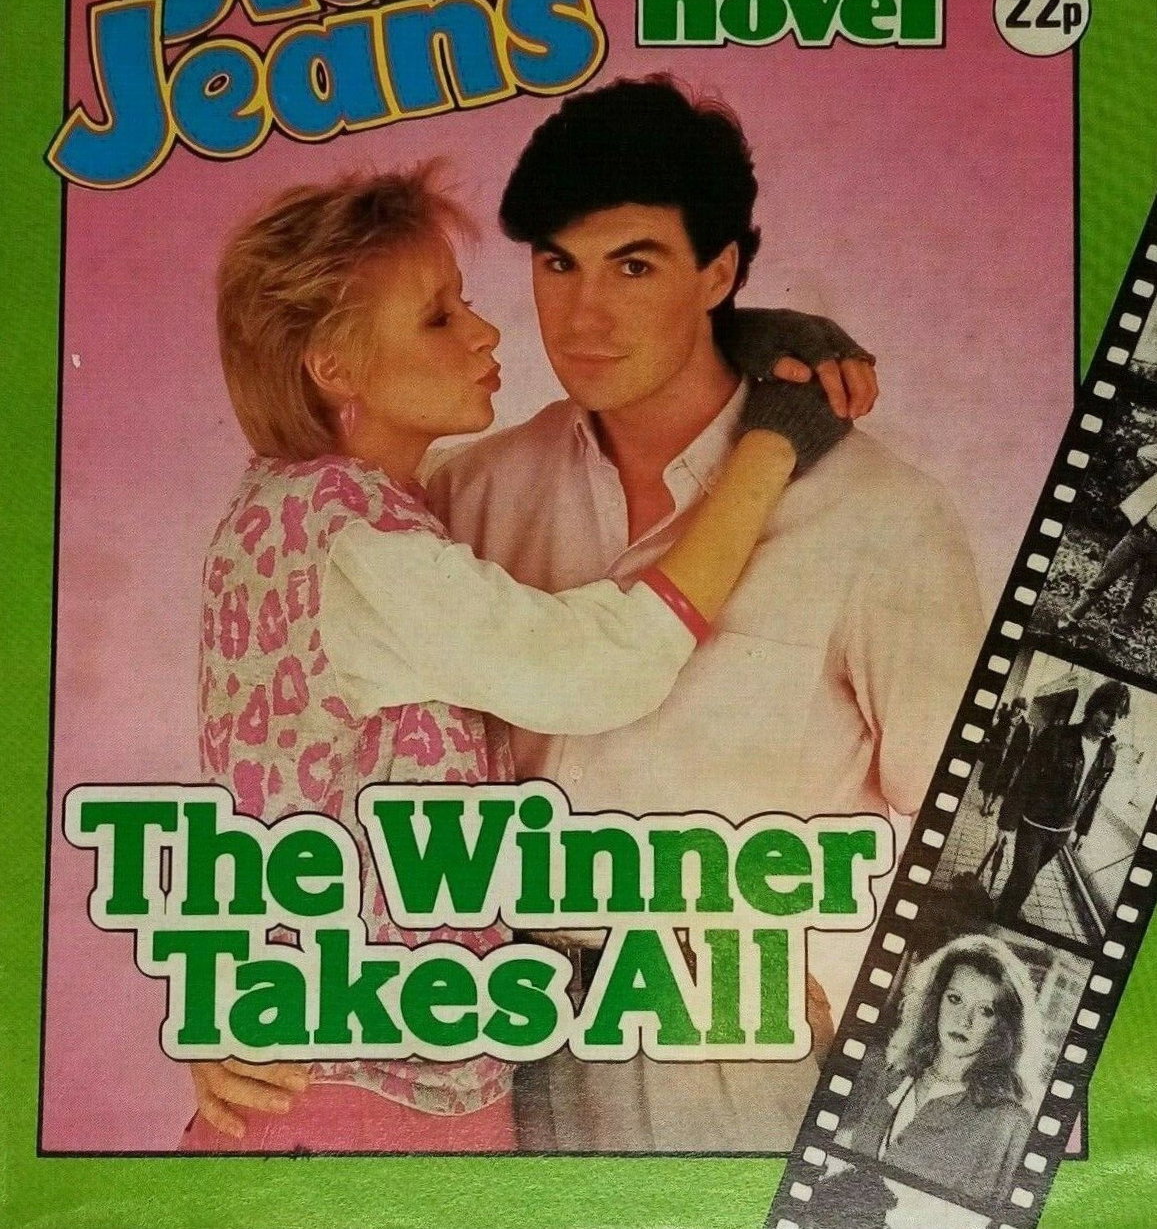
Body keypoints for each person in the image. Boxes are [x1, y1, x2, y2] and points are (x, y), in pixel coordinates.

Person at [182, 164, 855, 1152]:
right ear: (333, 367)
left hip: (316, 1070)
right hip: (380, 1104)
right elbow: (598, 665)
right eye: (437, 317)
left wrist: (710, 345)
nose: (483, 333)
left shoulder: (277, 508)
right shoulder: (361, 546)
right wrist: (767, 445)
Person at [422, 76, 984, 1152]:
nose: (583, 316)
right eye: (557, 264)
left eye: (633, 265)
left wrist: (838, 999)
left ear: (719, 271)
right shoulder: (470, 492)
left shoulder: (881, 518)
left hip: (722, 1037)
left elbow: (961, 835)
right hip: (488, 1026)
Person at [839, 935, 1041, 1207]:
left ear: (1003, 1025)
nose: (964, 1020)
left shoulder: (1008, 1120)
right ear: (935, 1001)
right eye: (955, 999)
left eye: (985, 1010)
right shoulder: (895, 1077)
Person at [996, 680, 1131, 925]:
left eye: (1119, 716)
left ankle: (1003, 906)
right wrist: (1006, 823)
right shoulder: (1056, 736)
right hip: (1034, 824)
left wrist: (1083, 831)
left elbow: (1094, 795)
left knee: (1024, 877)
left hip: (1062, 833)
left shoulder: (1109, 755)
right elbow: (1025, 779)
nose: (1113, 721)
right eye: (1108, 712)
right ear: (1093, 708)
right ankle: (1003, 918)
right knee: (1024, 879)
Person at [1060, 441, 1157, 632]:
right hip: (1140, 532)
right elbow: (1144, 453)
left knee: (1139, 595)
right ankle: (1073, 616)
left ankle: (1121, 630)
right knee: (1105, 577)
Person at [978, 696, 1029, 818]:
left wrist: (1019, 762)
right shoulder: (1004, 719)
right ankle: (985, 805)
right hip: (996, 755)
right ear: (1013, 706)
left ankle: (991, 804)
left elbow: (1024, 746)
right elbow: (992, 732)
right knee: (988, 781)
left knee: (1001, 785)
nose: (1018, 710)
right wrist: (990, 744)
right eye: (1016, 707)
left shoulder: (1024, 727)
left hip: (1010, 760)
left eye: (1021, 709)